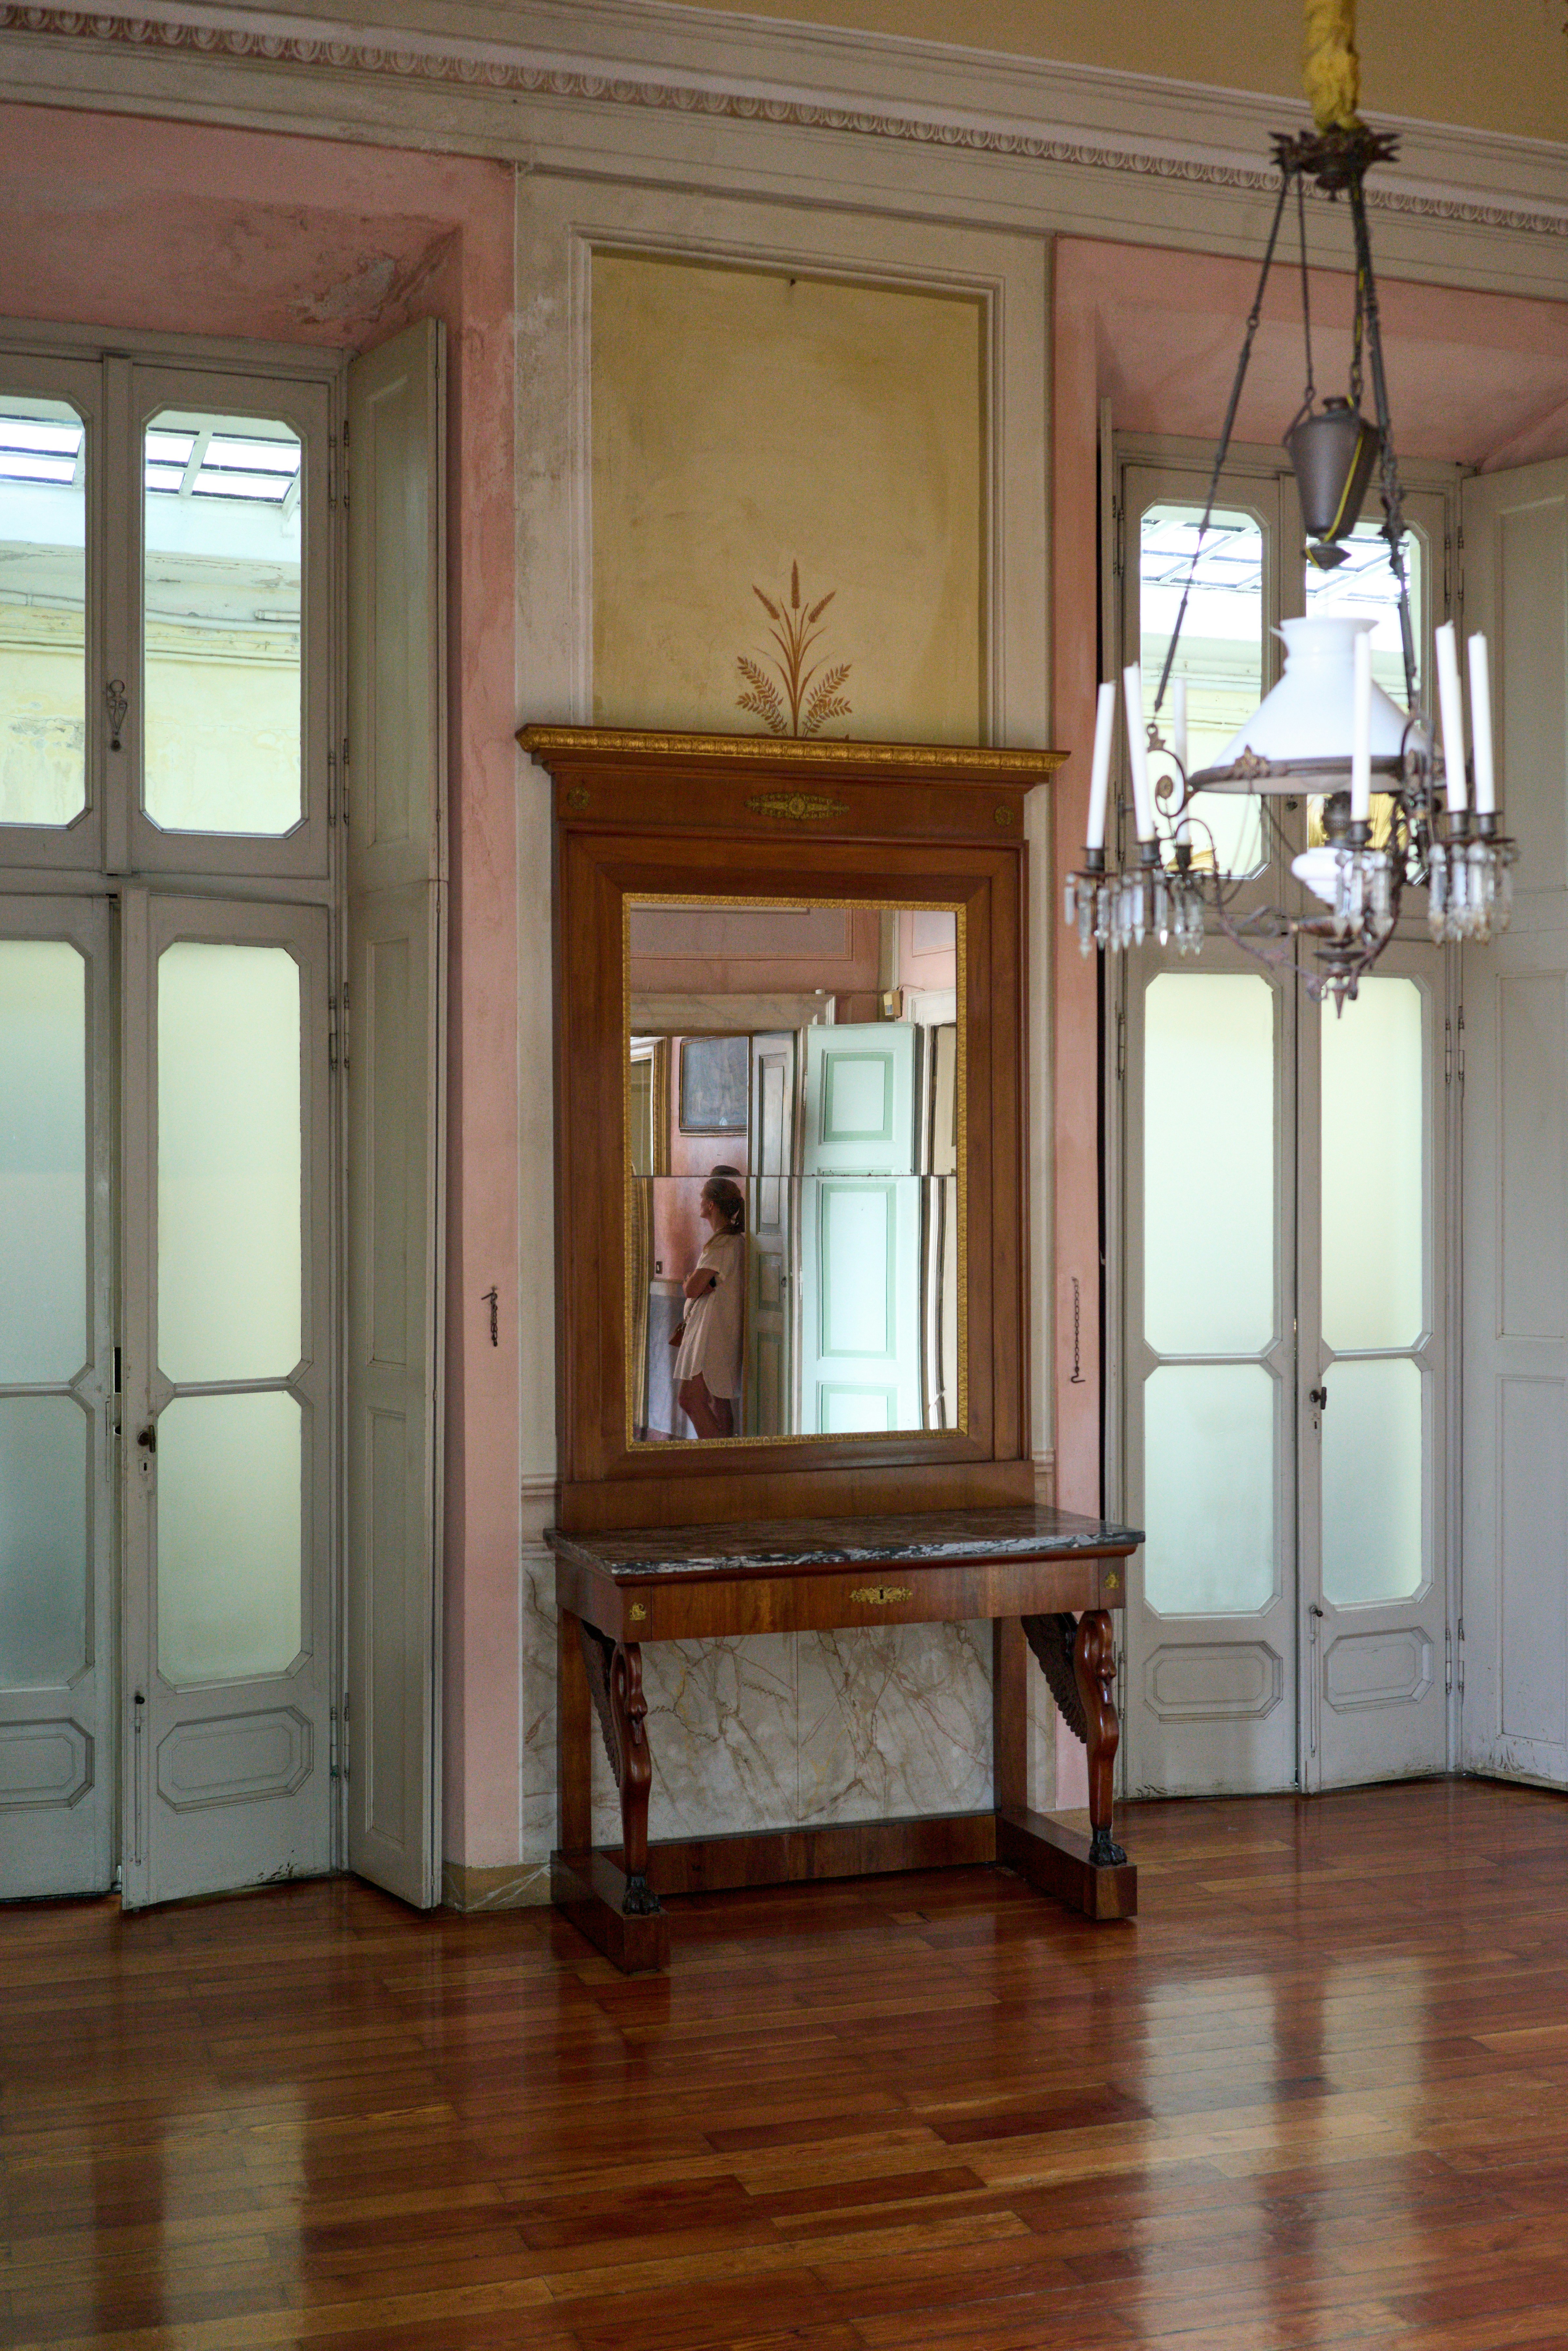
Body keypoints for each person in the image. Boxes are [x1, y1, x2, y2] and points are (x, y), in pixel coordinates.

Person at [669, 1172, 746, 1438]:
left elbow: (692, 1287)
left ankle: (719, 1459)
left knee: (690, 1399)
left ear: (712, 1204)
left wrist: (690, 1281)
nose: (699, 1200)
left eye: (703, 1196)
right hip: (715, 1329)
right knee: (718, 1400)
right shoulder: (732, 1242)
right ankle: (725, 1461)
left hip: (710, 1334)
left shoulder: (723, 1244)